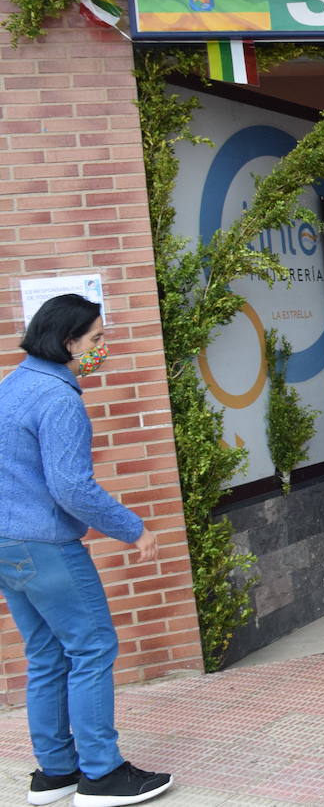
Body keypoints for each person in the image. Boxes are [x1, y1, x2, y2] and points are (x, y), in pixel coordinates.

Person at [0, 294, 173, 807]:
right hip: (48, 546)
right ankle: (102, 774)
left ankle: (55, 773)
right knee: (93, 648)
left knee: (47, 654)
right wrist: (132, 528)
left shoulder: (12, 385)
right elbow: (72, 487)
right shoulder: (59, 400)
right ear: (68, 341)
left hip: (8, 546)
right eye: (96, 338)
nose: (103, 347)